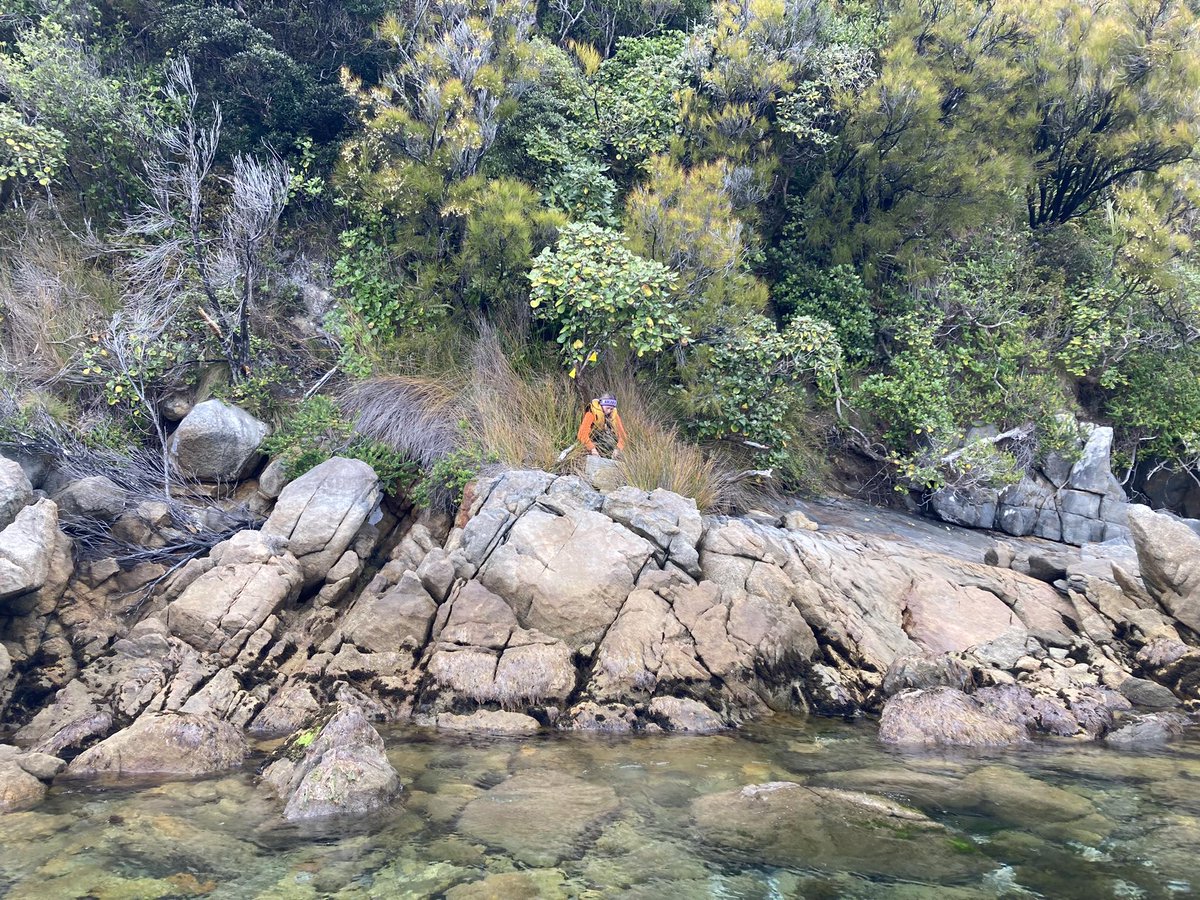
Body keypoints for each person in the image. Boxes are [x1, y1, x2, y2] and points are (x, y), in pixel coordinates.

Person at [578, 393, 626, 458]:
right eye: (607, 408)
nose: (609, 411)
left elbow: (623, 436)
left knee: (613, 445)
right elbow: (582, 434)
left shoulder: (614, 415)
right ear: (601, 405)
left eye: (611, 409)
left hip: (604, 440)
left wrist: (618, 449)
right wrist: (592, 449)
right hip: (590, 439)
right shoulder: (591, 413)